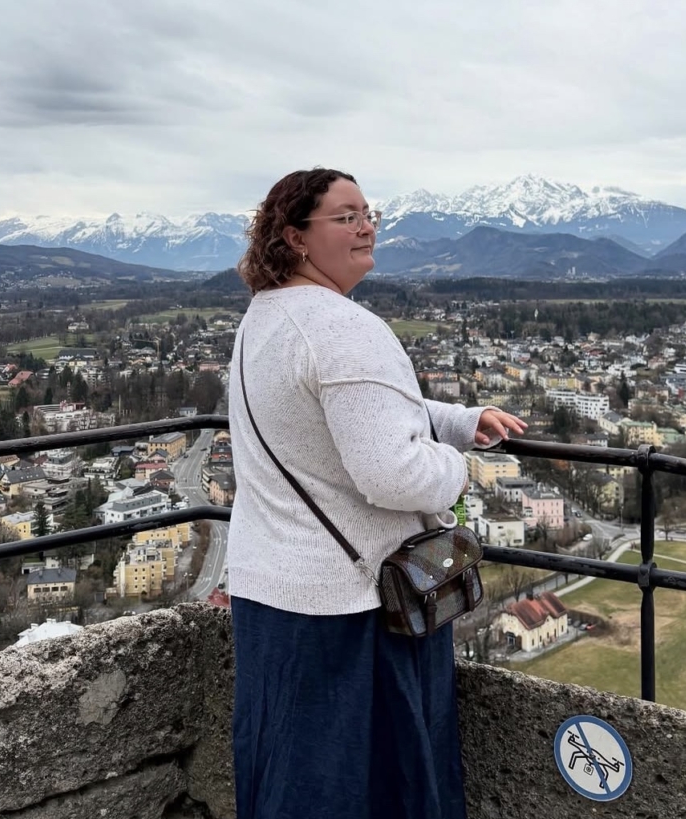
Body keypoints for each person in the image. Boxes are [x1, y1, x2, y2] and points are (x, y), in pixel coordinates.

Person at [228, 168, 527, 819]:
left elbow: (361, 406)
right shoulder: (344, 327)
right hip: (353, 611)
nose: (366, 226)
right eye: (345, 216)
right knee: (372, 787)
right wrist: (455, 466)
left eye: (370, 213)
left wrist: (456, 419)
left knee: (288, 782)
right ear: (295, 235)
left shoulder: (265, 317)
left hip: (272, 593)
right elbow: (393, 472)